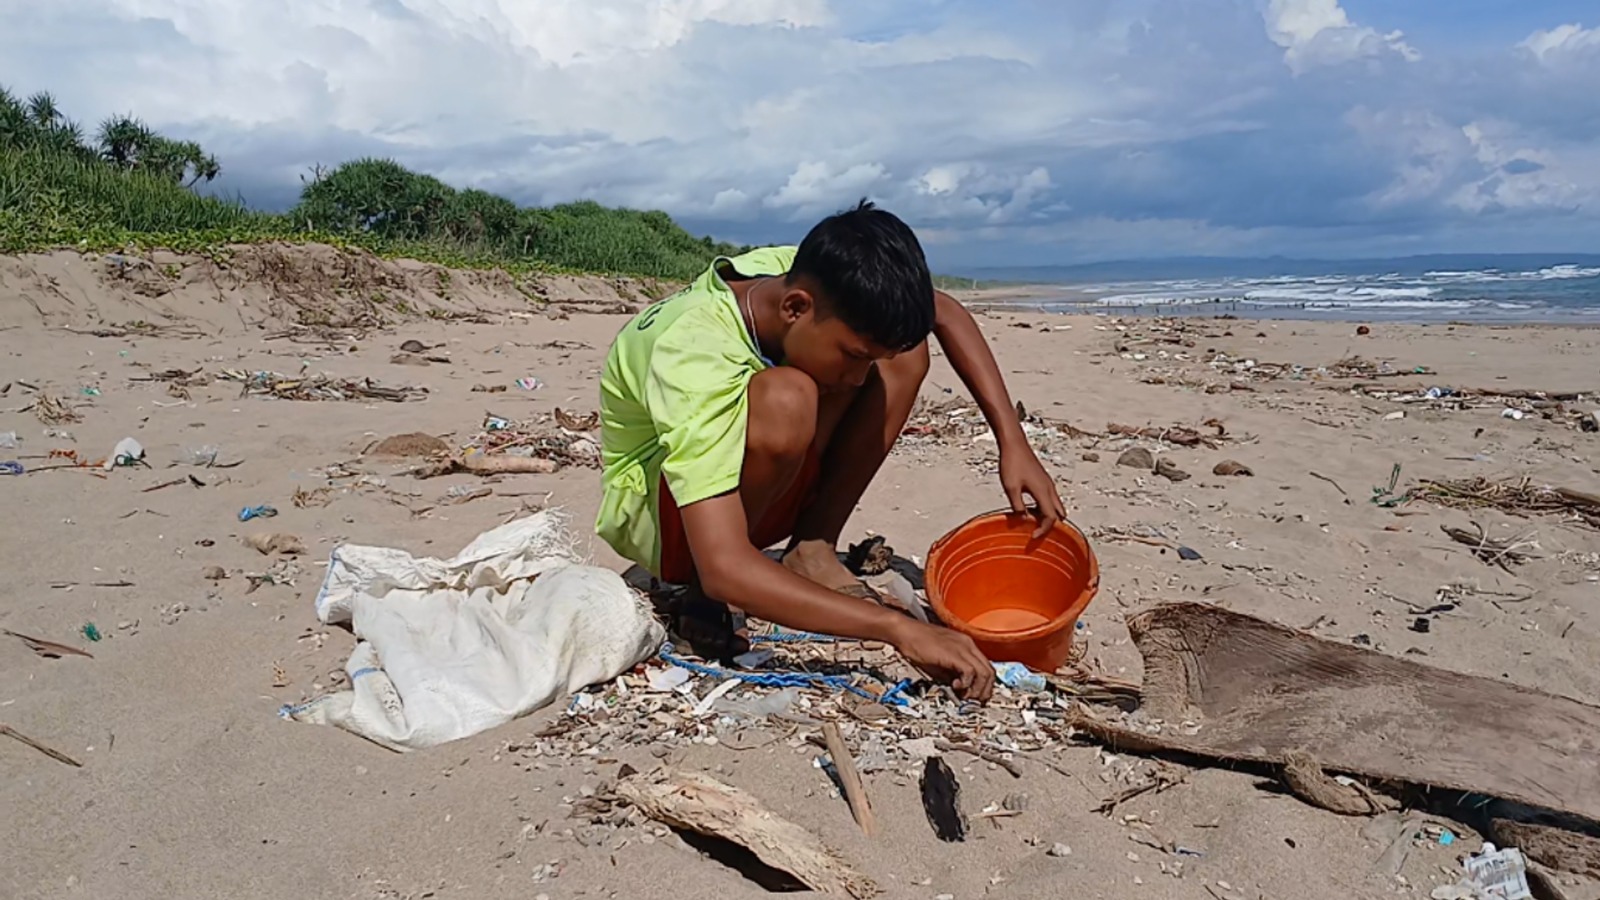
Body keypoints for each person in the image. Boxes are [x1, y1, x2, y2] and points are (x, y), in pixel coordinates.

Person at [596, 200, 1065, 702]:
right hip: (660, 518)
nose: (862, 381)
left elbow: (943, 311)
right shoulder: (692, 352)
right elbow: (725, 564)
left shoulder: (789, 274)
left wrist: (1013, 442)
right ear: (795, 308)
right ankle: (701, 596)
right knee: (788, 396)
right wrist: (898, 628)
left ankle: (813, 547)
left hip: (752, 477)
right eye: (854, 358)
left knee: (901, 352)